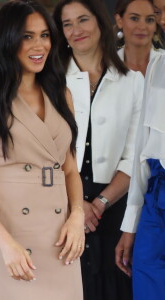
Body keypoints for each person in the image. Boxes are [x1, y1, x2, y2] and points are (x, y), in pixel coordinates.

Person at [0, 0, 84, 299]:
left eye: (44, 35)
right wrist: (6, 244)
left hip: (58, 239)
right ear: (7, 39)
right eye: (27, 36)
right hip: (3, 238)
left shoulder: (61, 94)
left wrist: (77, 216)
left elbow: (69, 169)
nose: (39, 44)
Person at [53, 1, 144, 300]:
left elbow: (135, 155)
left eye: (83, 19)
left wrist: (100, 203)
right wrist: (78, 204)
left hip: (113, 204)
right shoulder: (49, 81)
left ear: (101, 23)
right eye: (67, 24)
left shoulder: (133, 82)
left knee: (113, 287)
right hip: (61, 203)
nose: (76, 30)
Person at [115, 53, 165, 300]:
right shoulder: (157, 65)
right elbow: (141, 154)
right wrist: (130, 225)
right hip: (155, 203)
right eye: (159, 12)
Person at [114, 0, 164, 76]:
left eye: (149, 19)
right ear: (119, 21)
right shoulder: (105, 66)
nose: (142, 27)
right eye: (134, 18)